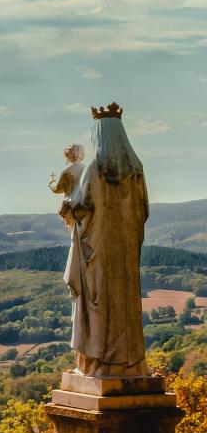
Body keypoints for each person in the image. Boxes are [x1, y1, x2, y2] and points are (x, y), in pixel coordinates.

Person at [59, 104, 149, 377]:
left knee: (97, 306)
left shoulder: (95, 168)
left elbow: (81, 208)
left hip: (97, 254)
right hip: (126, 254)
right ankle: (131, 364)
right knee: (125, 305)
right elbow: (144, 210)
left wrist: (67, 205)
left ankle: (97, 363)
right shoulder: (136, 169)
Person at [49, 144, 85, 227]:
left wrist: (51, 184)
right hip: (84, 201)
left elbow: (58, 189)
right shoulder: (85, 167)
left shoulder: (67, 170)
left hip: (71, 204)